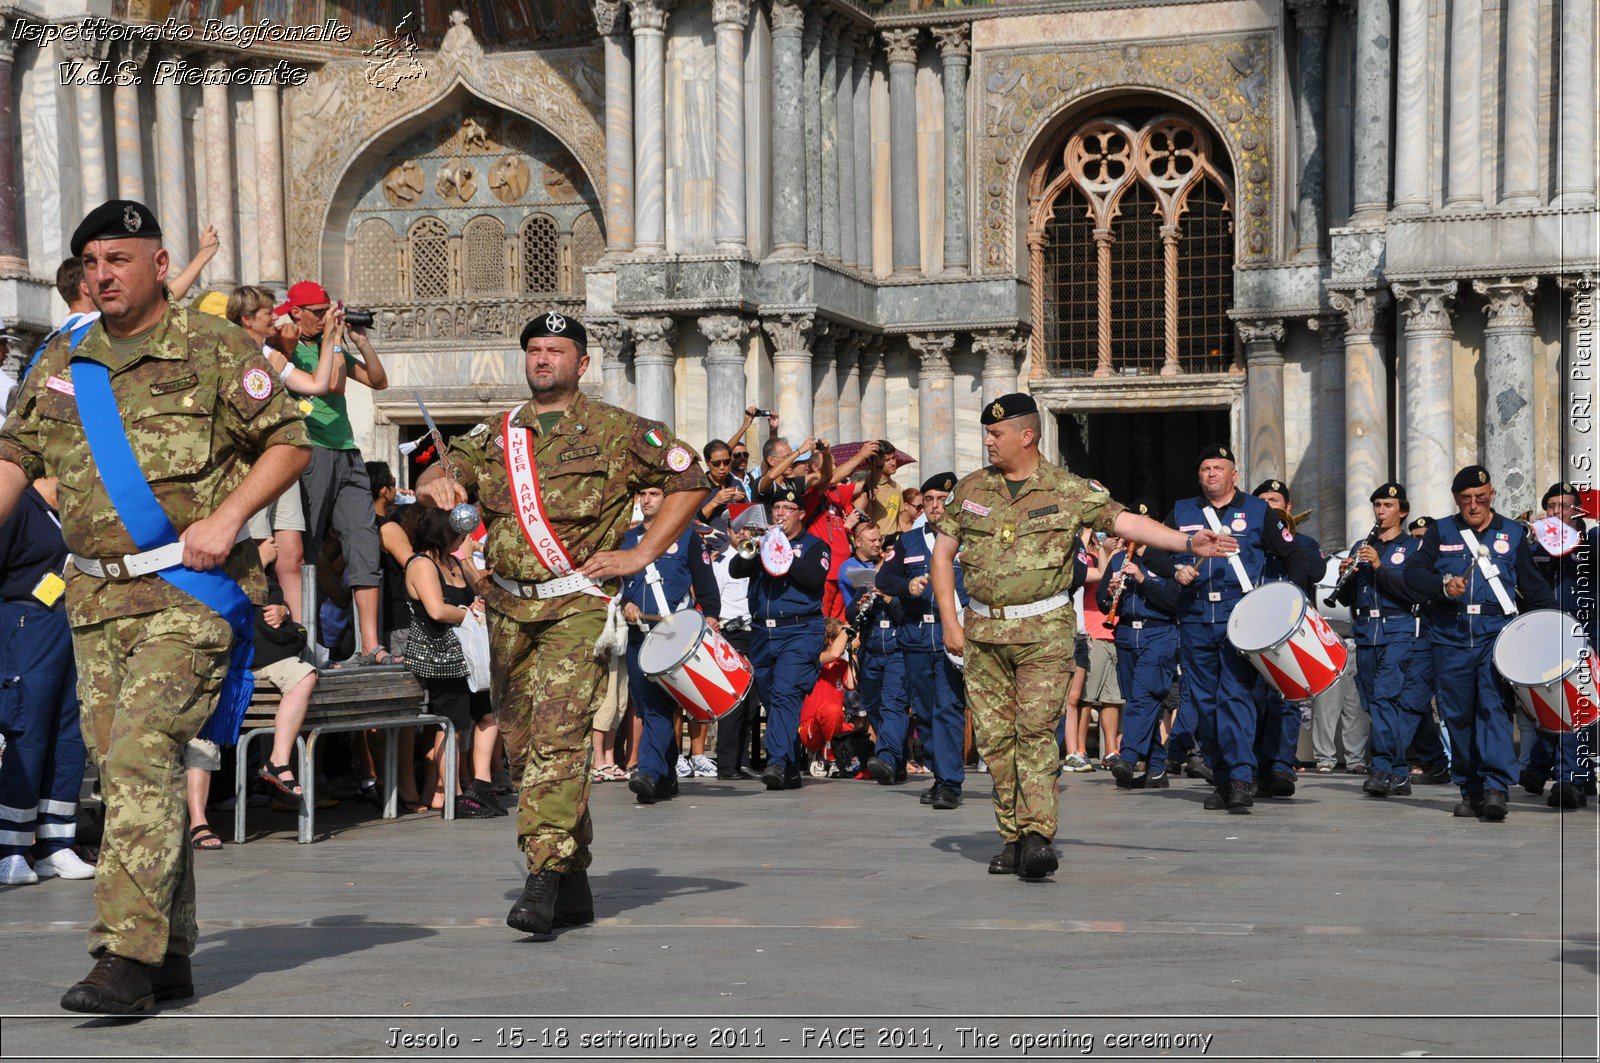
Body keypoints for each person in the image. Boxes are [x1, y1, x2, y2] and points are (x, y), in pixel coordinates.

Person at [0, 199, 310, 1012]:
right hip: (96, 595)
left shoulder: (215, 346)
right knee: (131, 770)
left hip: (190, 590)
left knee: (140, 750)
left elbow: (289, 437)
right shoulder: (62, 357)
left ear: (161, 264)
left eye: (120, 259)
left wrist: (230, 515)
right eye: (92, 262)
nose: (103, 275)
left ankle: (123, 959)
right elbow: (14, 455)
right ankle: (170, 950)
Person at [415, 310, 707, 938]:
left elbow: (691, 478)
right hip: (508, 605)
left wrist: (641, 552)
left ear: (582, 361)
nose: (542, 359)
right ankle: (573, 882)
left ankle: (543, 875)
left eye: (555, 350)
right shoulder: (496, 434)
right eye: (534, 350)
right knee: (524, 744)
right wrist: (437, 481)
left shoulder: (617, 430)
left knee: (558, 735)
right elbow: (442, 472)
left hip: (576, 604)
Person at [931, 394, 1236, 881]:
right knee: (994, 740)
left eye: (996, 434)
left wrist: (1185, 541)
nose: (987, 441)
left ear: (1026, 436)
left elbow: (1123, 521)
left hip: (1044, 632)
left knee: (1033, 733)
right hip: (984, 631)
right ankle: (1011, 835)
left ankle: (1035, 837)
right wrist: (950, 621)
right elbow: (943, 556)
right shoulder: (972, 490)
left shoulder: (1067, 489)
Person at [1401, 465, 1558, 821]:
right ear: (1457, 500)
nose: (1473, 505)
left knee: (1494, 709)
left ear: (1492, 496)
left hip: (1495, 633)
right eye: (1466, 499)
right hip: (1450, 634)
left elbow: (1535, 589)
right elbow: (1413, 574)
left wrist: (1555, 627)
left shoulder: (1513, 533)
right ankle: (1469, 788)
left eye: (1480, 498)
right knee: (1457, 715)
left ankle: (1495, 789)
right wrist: (1442, 585)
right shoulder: (1440, 531)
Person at [1164, 447, 1310, 813]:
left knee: (1236, 697)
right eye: (1205, 468)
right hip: (1196, 617)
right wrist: (1173, 571)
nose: (1211, 473)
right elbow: (1153, 551)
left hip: (1238, 617)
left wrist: (1288, 607)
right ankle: (1224, 777)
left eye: (1219, 468)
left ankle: (1243, 777)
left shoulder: (1258, 511)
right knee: (1205, 703)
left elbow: (1296, 557)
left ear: (1234, 474)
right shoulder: (1183, 511)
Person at [284, 280, 391, 665]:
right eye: (316, 312)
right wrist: (334, 338)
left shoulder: (331, 343)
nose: (323, 318)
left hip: (347, 452)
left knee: (363, 542)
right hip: (312, 451)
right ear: (296, 312)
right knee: (306, 548)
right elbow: (330, 385)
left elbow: (379, 381)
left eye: (326, 311)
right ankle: (306, 641)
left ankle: (371, 644)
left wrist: (359, 338)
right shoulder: (287, 348)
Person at [0, 474, 93, 883]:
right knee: (28, 732)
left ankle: (57, 844)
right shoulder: (18, 504)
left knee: (69, 735)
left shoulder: (78, 507)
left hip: (74, 624)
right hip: (27, 623)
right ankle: (11, 848)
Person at [619, 487, 721, 803]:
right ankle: (666, 776)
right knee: (649, 707)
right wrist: (624, 603)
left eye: (654, 493)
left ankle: (648, 772)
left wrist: (712, 617)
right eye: (642, 494)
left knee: (659, 706)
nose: (646, 499)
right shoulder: (626, 541)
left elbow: (706, 585)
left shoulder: (688, 537)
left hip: (673, 638)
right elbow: (616, 585)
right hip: (639, 635)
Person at [401, 505, 501, 817]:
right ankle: (455, 795)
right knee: (453, 724)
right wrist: (471, 615)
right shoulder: (421, 564)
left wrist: (468, 561)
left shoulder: (454, 563)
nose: (464, 539)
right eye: (459, 534)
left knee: (488, 716)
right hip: (441, 657)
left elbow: (483, 593)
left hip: (471, 655)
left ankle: (481, 785)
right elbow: (436, 610)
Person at [730, 480, 830, 791]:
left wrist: (783, 553)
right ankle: (790, 766)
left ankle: (775, 762)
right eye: (776, 509)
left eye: (787, 509)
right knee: (774, 700)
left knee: (787, 694)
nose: (781, 514)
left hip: (799, 630)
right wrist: (753, 547)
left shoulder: (815, 547)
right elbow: (735, 569)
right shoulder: (764, 543)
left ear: (801, 513)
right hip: (763, 631)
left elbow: (814, 578)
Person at [876, 471, 969, 808]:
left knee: (947, 709)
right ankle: (939, 773)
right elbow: (885, 578)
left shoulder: (969, 538)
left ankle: (950, 783)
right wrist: (907, 587)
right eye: (928, 500)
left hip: (952, 636)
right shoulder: (909, 541)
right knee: (927, 713)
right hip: (916, 635)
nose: (934, 506)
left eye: (942, 500)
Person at [1333, 482, 1422, 798]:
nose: (1381, 511)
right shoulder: (1362, 544)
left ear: (1403, 511)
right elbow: (1346, 597)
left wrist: (1379, 567)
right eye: (1377, 505)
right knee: (1375, 704)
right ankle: (1399, 773)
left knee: (1386, 698)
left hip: (1397, 630)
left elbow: (1411, 592)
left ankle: (1382, 768)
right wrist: (1347, 574)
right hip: (1365, 632)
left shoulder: (1412, 548)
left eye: (1387, 506)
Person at [1522, 481, 1597, 809]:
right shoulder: (1535, 542)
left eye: (1564, 506)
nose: (1556, 513)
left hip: (1583, 634)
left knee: (1575, 708)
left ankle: (1567, 779)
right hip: (1544, 634)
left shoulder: (1589, 541)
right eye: (1551, 507)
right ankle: (1566, 775)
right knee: (1550, 708)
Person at [1099, 500, 1182, 790]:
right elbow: (1101, 603)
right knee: (1140, 701)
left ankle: (1128, 756)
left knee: (1143, 697)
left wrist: (1143, 579)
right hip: (1125, 634)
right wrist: (1111, 594)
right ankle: (1157, 769)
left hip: (1157, 633)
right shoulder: (1117, 559)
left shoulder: (1168, 559)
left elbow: (1173, 601)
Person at [1250, 479, 1325, 797]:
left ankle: (1281, 765)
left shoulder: (1304, 542)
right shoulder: (1250, 543)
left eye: (1275, 500)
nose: (1270, 505)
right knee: (1252, 699)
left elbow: (1317, 573)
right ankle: (1253, 766)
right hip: (1256, 628)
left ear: (1288, 507)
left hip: (1290, 631)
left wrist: (1289, 539)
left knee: (1287, 699)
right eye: (1263, 500)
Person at [840, 521, 907, 785]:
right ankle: (896, 762)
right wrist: (864, 598)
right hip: (870, 650)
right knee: (874, 706)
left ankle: (887, 757)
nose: (884, 552)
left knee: (893, 705)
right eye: (884, 550)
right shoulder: (869, 577)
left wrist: (889, 597)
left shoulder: (904, 582)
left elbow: (906, 615)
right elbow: (850, 614)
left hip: (895, 649)